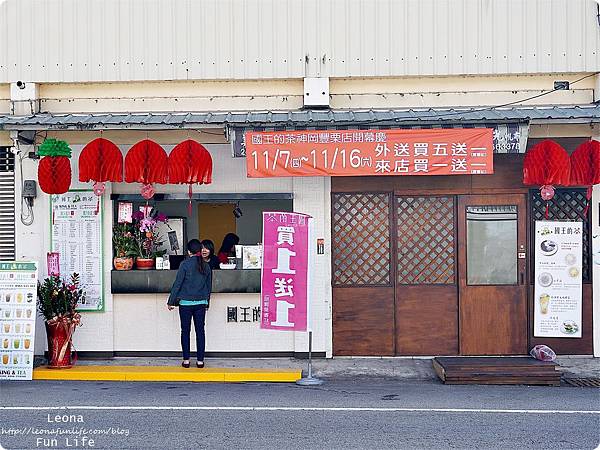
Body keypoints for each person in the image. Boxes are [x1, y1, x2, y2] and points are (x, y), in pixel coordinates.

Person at [167, 239, 212, 368]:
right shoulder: (206, 265)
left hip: (185, 304)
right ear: (200, 250)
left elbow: (178, 284)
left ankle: (186, 360)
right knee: (200, 331)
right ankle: (200, 361)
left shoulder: (184, 264)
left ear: (188, 251)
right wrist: (207, 302)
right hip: (201, 303)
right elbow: (209, 287)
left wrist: (171, 301)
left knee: (185, 331)